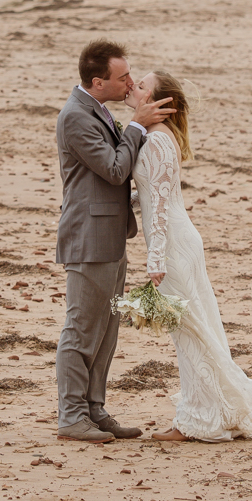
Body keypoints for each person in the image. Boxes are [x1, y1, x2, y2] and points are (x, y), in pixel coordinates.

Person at [125, 70, 252, 442]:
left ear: (159, 104)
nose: (133, 87)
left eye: (142, 86)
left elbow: (158, 204)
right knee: (193, 326)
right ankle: (209, 413)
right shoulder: (161, 136)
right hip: (179, 236)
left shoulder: (156, 140)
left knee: (189, 330)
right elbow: (153, 193)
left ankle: (196, 421)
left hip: (173, 243)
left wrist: (155, 259)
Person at [54, 39, 173, 443]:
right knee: (82, 329)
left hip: (111, 235)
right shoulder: (75, 117)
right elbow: (114, 170)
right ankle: (71, 416)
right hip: (88, 239)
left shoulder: (98, 109)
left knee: (107, 330)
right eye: (122, 78)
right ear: (97, 81)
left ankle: (94, 409)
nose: (128, 84)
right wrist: (138, 126)